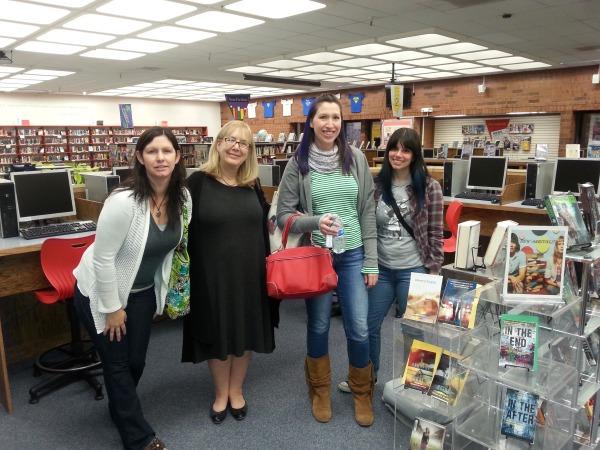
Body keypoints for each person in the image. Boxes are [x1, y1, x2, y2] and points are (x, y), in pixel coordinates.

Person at [73, 126, 191, 450]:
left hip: (141, 293)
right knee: (117, 364)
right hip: (100, 292)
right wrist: (112, 309)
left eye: (167, 151)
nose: (160, 157)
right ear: (140, 157)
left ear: (178, 156)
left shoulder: (182, 198)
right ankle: (138, 437)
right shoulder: (124, 201)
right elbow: (102, 258)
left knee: (135, 362)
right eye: (152, 151)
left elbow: (177, 245)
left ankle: (120, 407)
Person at [277, 94, 378, 427]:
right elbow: (283, 216)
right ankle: (319, 389)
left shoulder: (357, 159)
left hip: (352, 255)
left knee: (359, 326)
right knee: (319, 324)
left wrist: (372, 261)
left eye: (336, 118)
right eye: (323, 117)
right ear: (311, 122)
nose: (330, 124)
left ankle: (362, 392)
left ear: (341, 123)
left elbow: (366, 210)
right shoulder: (298, 163)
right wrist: (314, 222)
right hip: (317, 255)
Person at [182, 120, 276, 425]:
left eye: (244, 143)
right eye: (230, 140)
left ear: (249, 152)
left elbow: (263, 227)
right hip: (211, 276)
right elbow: (182, 229)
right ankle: (221, 393)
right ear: (218, 144)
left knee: (245, 332)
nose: (237, 147)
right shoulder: (197, 183)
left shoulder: (252, 183)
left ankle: (237, 390)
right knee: (218, 333)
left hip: (250, 274)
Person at [348, 127, 443, 391]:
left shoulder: (429, 187)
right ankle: (366, 379)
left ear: (414, 155)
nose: (398, 154)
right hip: (381, 269)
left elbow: (436, 232)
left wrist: (433, 272)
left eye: (405, 150)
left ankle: (416, 385)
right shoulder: (377, 185)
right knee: (368, 326)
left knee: (415, 330)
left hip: (415, 269)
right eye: (394, 148)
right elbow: (365, 224)